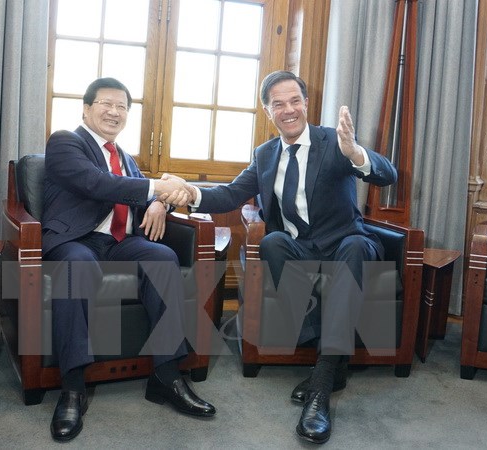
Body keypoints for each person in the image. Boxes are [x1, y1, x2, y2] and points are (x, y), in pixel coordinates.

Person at [162, 70, 397, 444]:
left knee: (353, 248)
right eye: (278, 104)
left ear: (306, 104)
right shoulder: (265, 154)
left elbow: (388, 175)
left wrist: (355, 152)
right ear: (268, 112)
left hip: (347, 243)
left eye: (295, 101)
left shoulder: (333, 142)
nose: (288, 110)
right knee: (272, 242)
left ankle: (320, 384)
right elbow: (229, 194)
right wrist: (189, 192)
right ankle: (336, 365)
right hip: (300, 249)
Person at [42, 77, 216, 442]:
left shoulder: (125, 158)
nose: (114, 112)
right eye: (106, 104)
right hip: (76, 241)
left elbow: (141, 193)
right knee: (76, 266)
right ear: (86, 109)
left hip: (120, 242)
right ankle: (72, 387)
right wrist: (157, 187)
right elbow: (95, 183)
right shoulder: (65, 142)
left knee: (163, 257)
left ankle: (166, 376)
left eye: (121, 107)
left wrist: (160, 202)